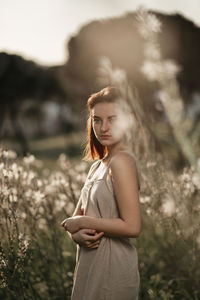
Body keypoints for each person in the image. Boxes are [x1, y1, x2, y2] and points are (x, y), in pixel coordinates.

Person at [61, 86, 141, 300]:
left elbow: (132, 226)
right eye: (97, 120)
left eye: (113, 119)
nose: (103, 127)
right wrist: (75, 234)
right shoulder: (98, 166)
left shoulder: (122, 161)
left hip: (112, 268)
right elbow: (74, 220)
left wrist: (81, 222)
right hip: (90, 263)